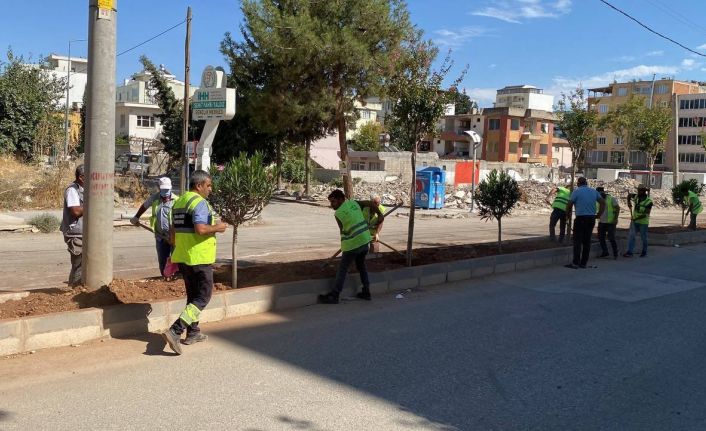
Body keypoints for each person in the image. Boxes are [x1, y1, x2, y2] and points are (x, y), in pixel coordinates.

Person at [162, 170, 227, 355]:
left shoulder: (178, 202)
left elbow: (172, 235)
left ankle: (193, 332)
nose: (210, 189)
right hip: (199, 257)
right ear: (199, 186)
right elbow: (201, 229)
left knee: (193, 296)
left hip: (183, 257)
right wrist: (218, 227)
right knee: (203, 296)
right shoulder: (199, 203)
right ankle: (175, 330)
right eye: (208, 185)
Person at [318, 189, 384, 304]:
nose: (331, 205)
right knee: (361, 266)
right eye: (331, 202)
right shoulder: (354, 203)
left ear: (341, 199)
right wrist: (380, 214)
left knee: (343, 269)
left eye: (333, 201)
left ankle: (335, 295)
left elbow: (342, 230)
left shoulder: (338, 213)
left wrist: (345, 245)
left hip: (353, 244)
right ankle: (366, 292)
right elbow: (369, 203)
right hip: (365, 241)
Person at [130, 177, 179, 278]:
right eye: (163, 189)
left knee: (176, 258)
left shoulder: (177, 200)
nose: (165, 191)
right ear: (159, 188)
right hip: (160, 236)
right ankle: (164, 277)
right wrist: (136, 217)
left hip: (174, 236)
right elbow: (144, 206)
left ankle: (176, 278)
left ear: (170, 188)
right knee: (162, 259)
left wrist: (174, 235)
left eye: (167, 189)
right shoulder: (155, 198)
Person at [565, 177, 604, 269]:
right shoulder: (594, 191)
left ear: (578, 183)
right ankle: (583, 263)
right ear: (586, 183)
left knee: (577, 241)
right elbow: (603, 202)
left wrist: (567, 215)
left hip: (581, 219)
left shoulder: (577, 191)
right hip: (591, 218)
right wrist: (599, 214)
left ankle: (576, 263)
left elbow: (569, 203)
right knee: (587, 241)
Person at [60, 165, 85, 287]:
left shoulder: (84, 189)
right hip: (75, 234)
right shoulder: (72, 190)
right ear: (81, 177)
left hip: (83, 233)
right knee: (78, 265)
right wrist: (93, 204)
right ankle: (74, 289)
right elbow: (76, 211)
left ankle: (76, 288)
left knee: (84, 265)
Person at [624, 185, 653, 258]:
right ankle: (630, 252)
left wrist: (636, 219)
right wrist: (628, 203)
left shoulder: (649, 202)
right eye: (638, 190)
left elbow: (646, 214)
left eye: (639, 191)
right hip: (634, 221)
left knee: (644, 237)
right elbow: (629, 195)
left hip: (643, 223)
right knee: (632, 236)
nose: (638, 192)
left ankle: (644, 251)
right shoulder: (636, 196)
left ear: (643, 191)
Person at [596, 186, 620, 259]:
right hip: (601, 222)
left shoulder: (611, 199)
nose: (600, 195)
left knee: (611, 238)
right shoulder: (597, 200)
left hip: (611, 222)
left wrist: (615, 219)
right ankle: (605, 252)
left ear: (603, 192)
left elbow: (617, 208)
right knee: (601, 238)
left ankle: (615, 253)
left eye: (600, 193)